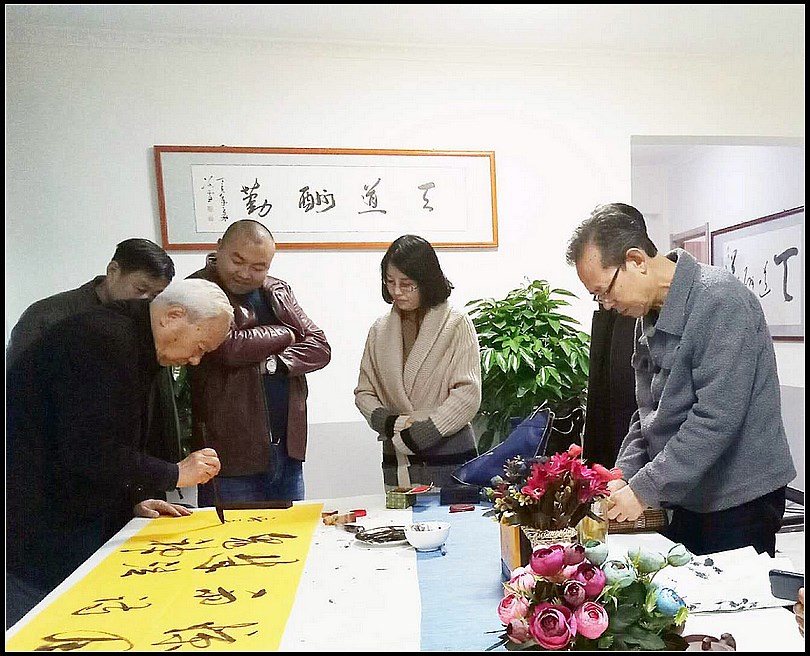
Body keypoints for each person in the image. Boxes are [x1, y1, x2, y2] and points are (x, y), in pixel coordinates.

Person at [565, 202, 796, 557]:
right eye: (598, 297)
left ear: (636, 260)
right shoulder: (647, 316)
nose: (607, 304)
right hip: (687, 492)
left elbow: (715, 418)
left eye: (606, 291)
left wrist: (644, 488)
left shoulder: (720, 301)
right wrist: (622, 475)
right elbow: (647, 413)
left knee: (731, 591)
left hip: (739, 497)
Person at [6, 278, 234, 628]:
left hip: (69, 506)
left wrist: (130, 502)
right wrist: (175, 473)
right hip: (37, 517)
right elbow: (88, 449)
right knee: (46, 627)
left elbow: (111, 437)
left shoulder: (135, 338)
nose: (195, 359)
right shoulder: (102, 341)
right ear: (173, 316)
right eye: (200, 347)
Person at [188, 219, 331, 504]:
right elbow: (228, 347)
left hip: (287, 451)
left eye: (258, 266)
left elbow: (320, 347)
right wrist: (286, 333)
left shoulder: (277, 290)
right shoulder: (197, 289)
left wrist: (276, 363)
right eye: (237, 261)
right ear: (219, 248)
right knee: (232, 533)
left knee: (295, 531)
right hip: (229, 457)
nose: (245, 273)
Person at [354, 234, 482, 489]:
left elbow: (468, 393)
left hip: (449, 448)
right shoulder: (379, 330)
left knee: (455, 514)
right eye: (390, 282)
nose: (396, 291)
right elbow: (364, 393)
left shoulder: (456, 323)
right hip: (397, 453)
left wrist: (426, 431)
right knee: (399, 514)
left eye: (407, 284)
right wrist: (391, 423)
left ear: (426, 281)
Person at [6, 237, 175, 368]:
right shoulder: (48, 315)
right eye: (140, 289)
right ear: (113, 271)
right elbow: (17, 382)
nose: (146, 300)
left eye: (155, 294)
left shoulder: (150, 323)